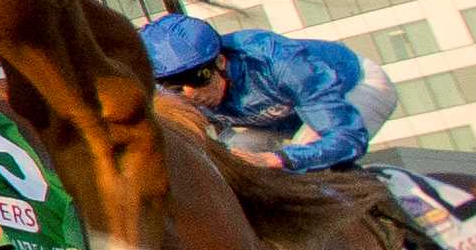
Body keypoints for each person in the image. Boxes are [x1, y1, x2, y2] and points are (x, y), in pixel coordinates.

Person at [141, 13, 398, 172]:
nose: (190, 94)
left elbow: (347, 140)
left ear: (220, 61)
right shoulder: (174, 97)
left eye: (197, 79)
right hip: (272, 119)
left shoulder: (279, 63)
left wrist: (277, 160)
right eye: (174, 86)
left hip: (353, 89)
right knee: (233, 170)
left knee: (307, 169)